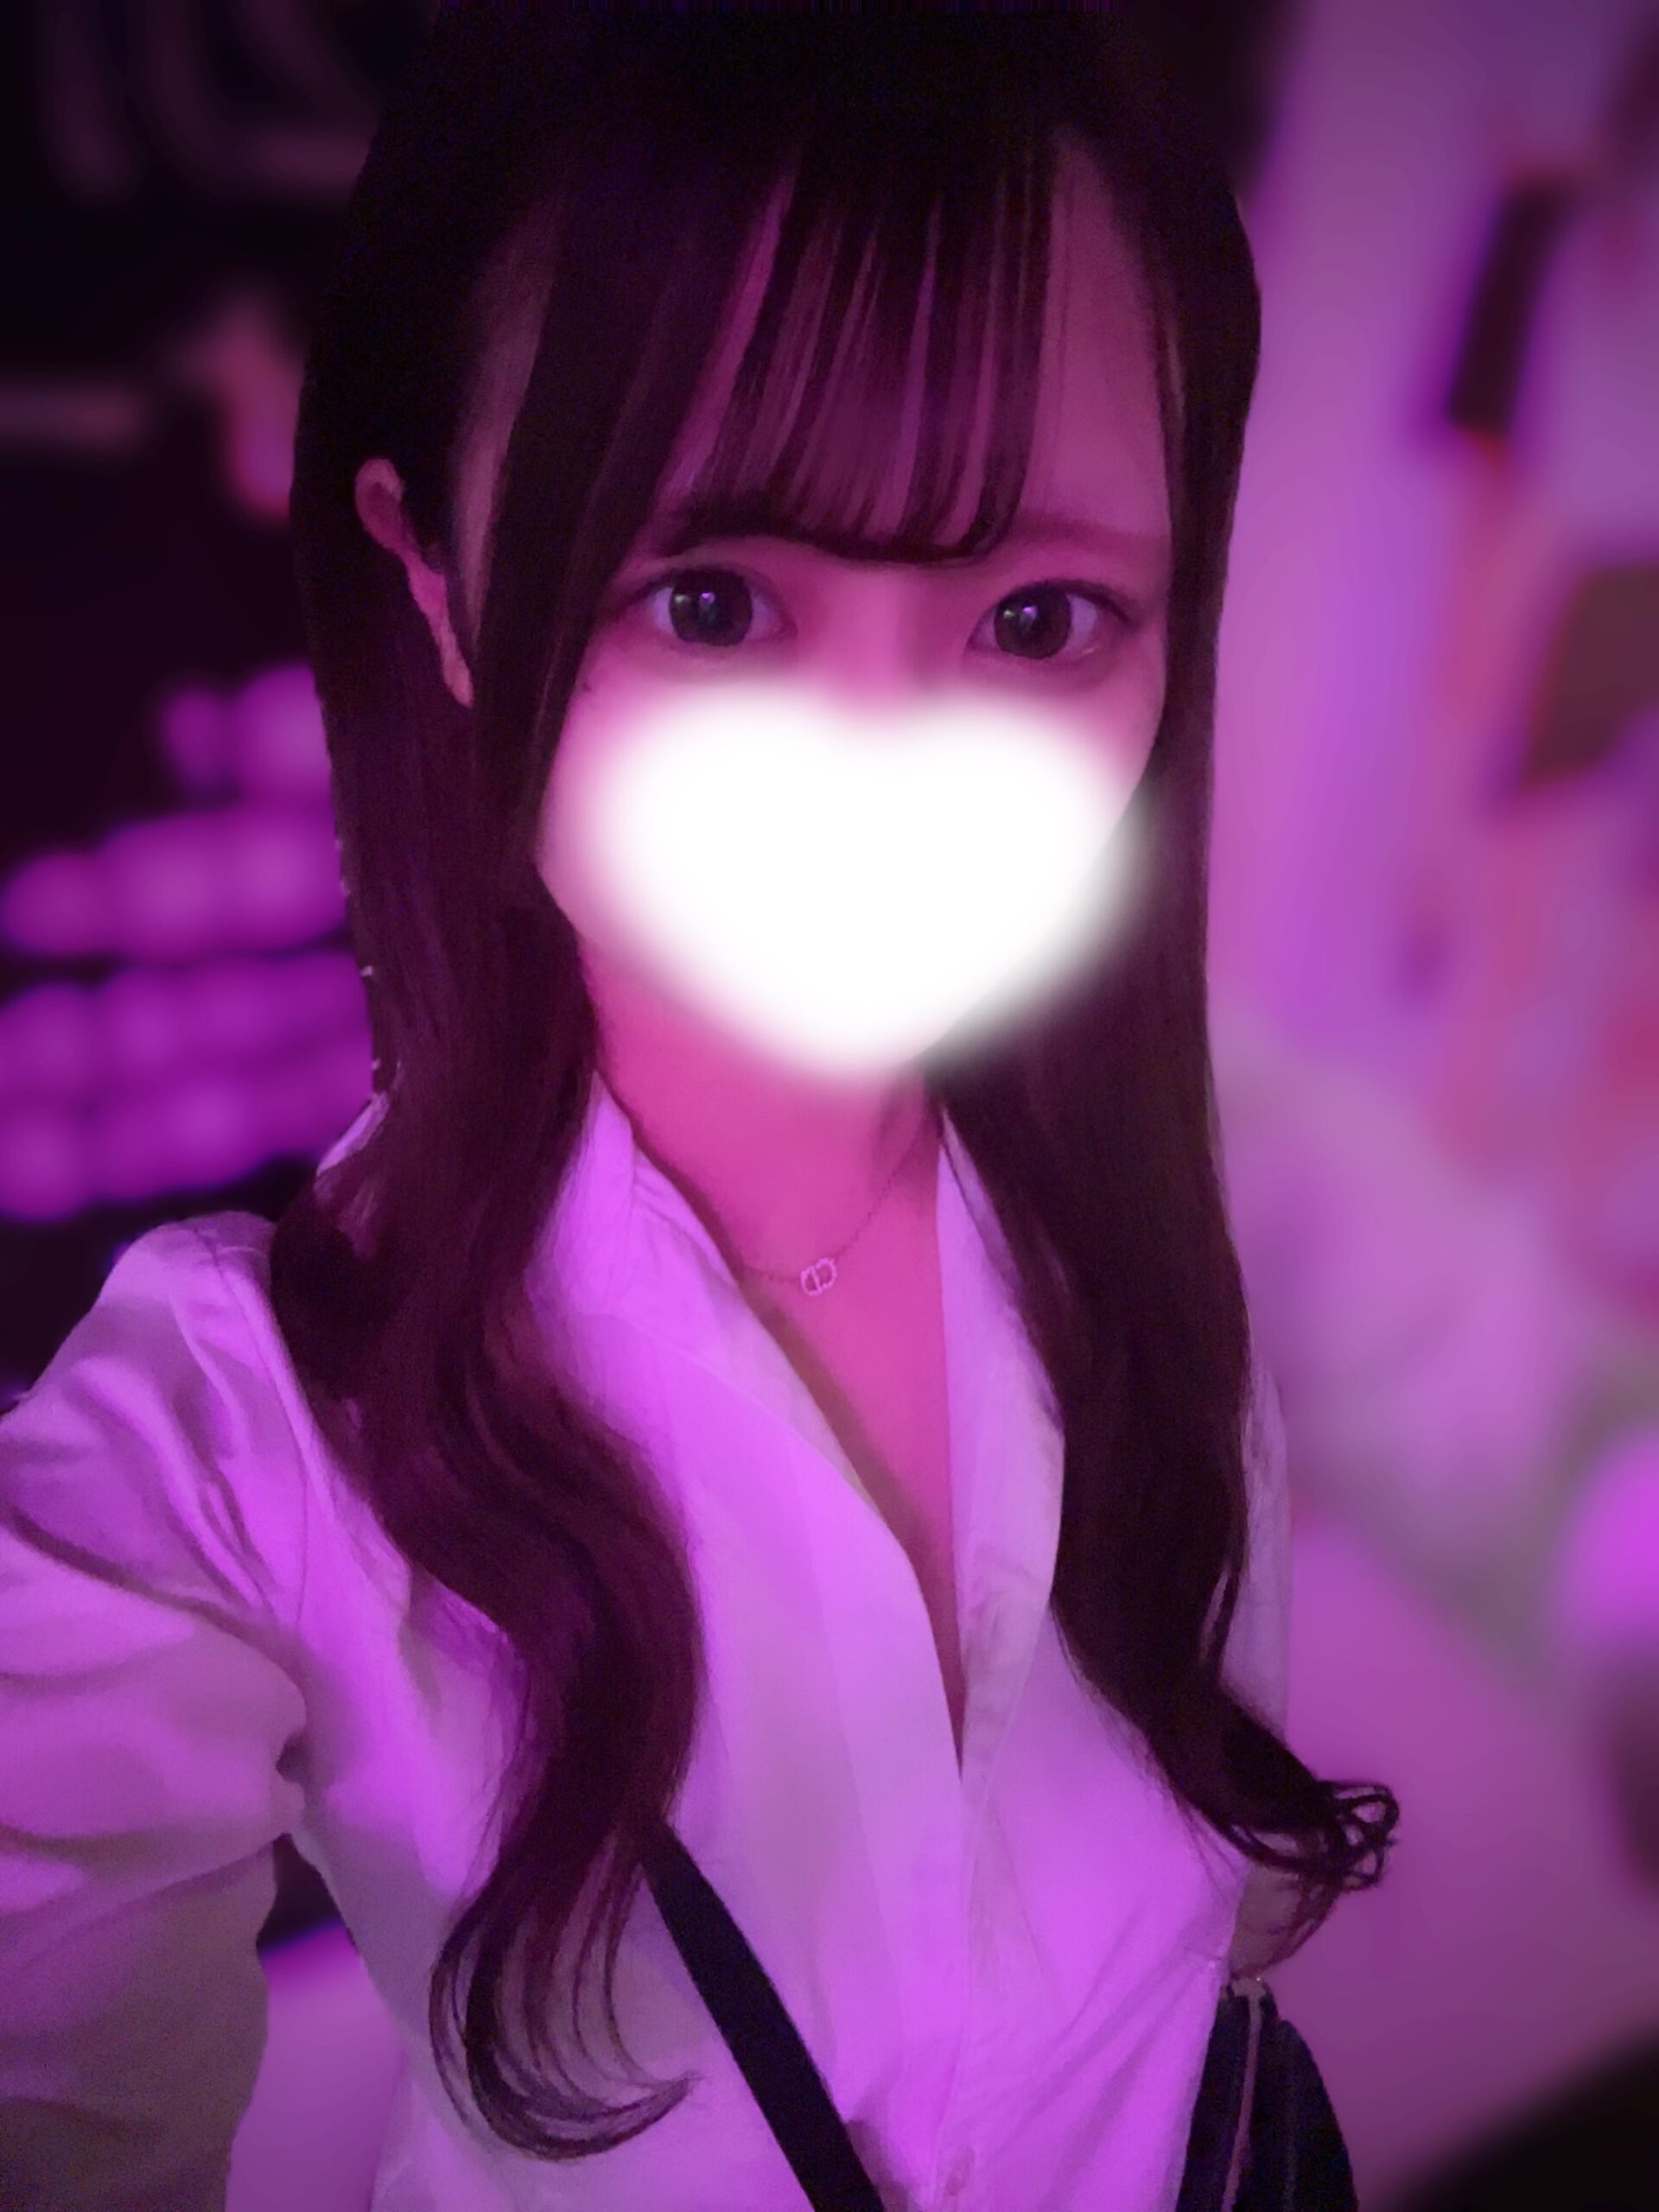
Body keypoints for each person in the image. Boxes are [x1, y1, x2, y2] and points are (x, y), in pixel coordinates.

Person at [0, 12, 1395, 2210]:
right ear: (440, 579)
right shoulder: (240, 1432)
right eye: (717, 602)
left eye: (1039, 619)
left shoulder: (1160, 1202)